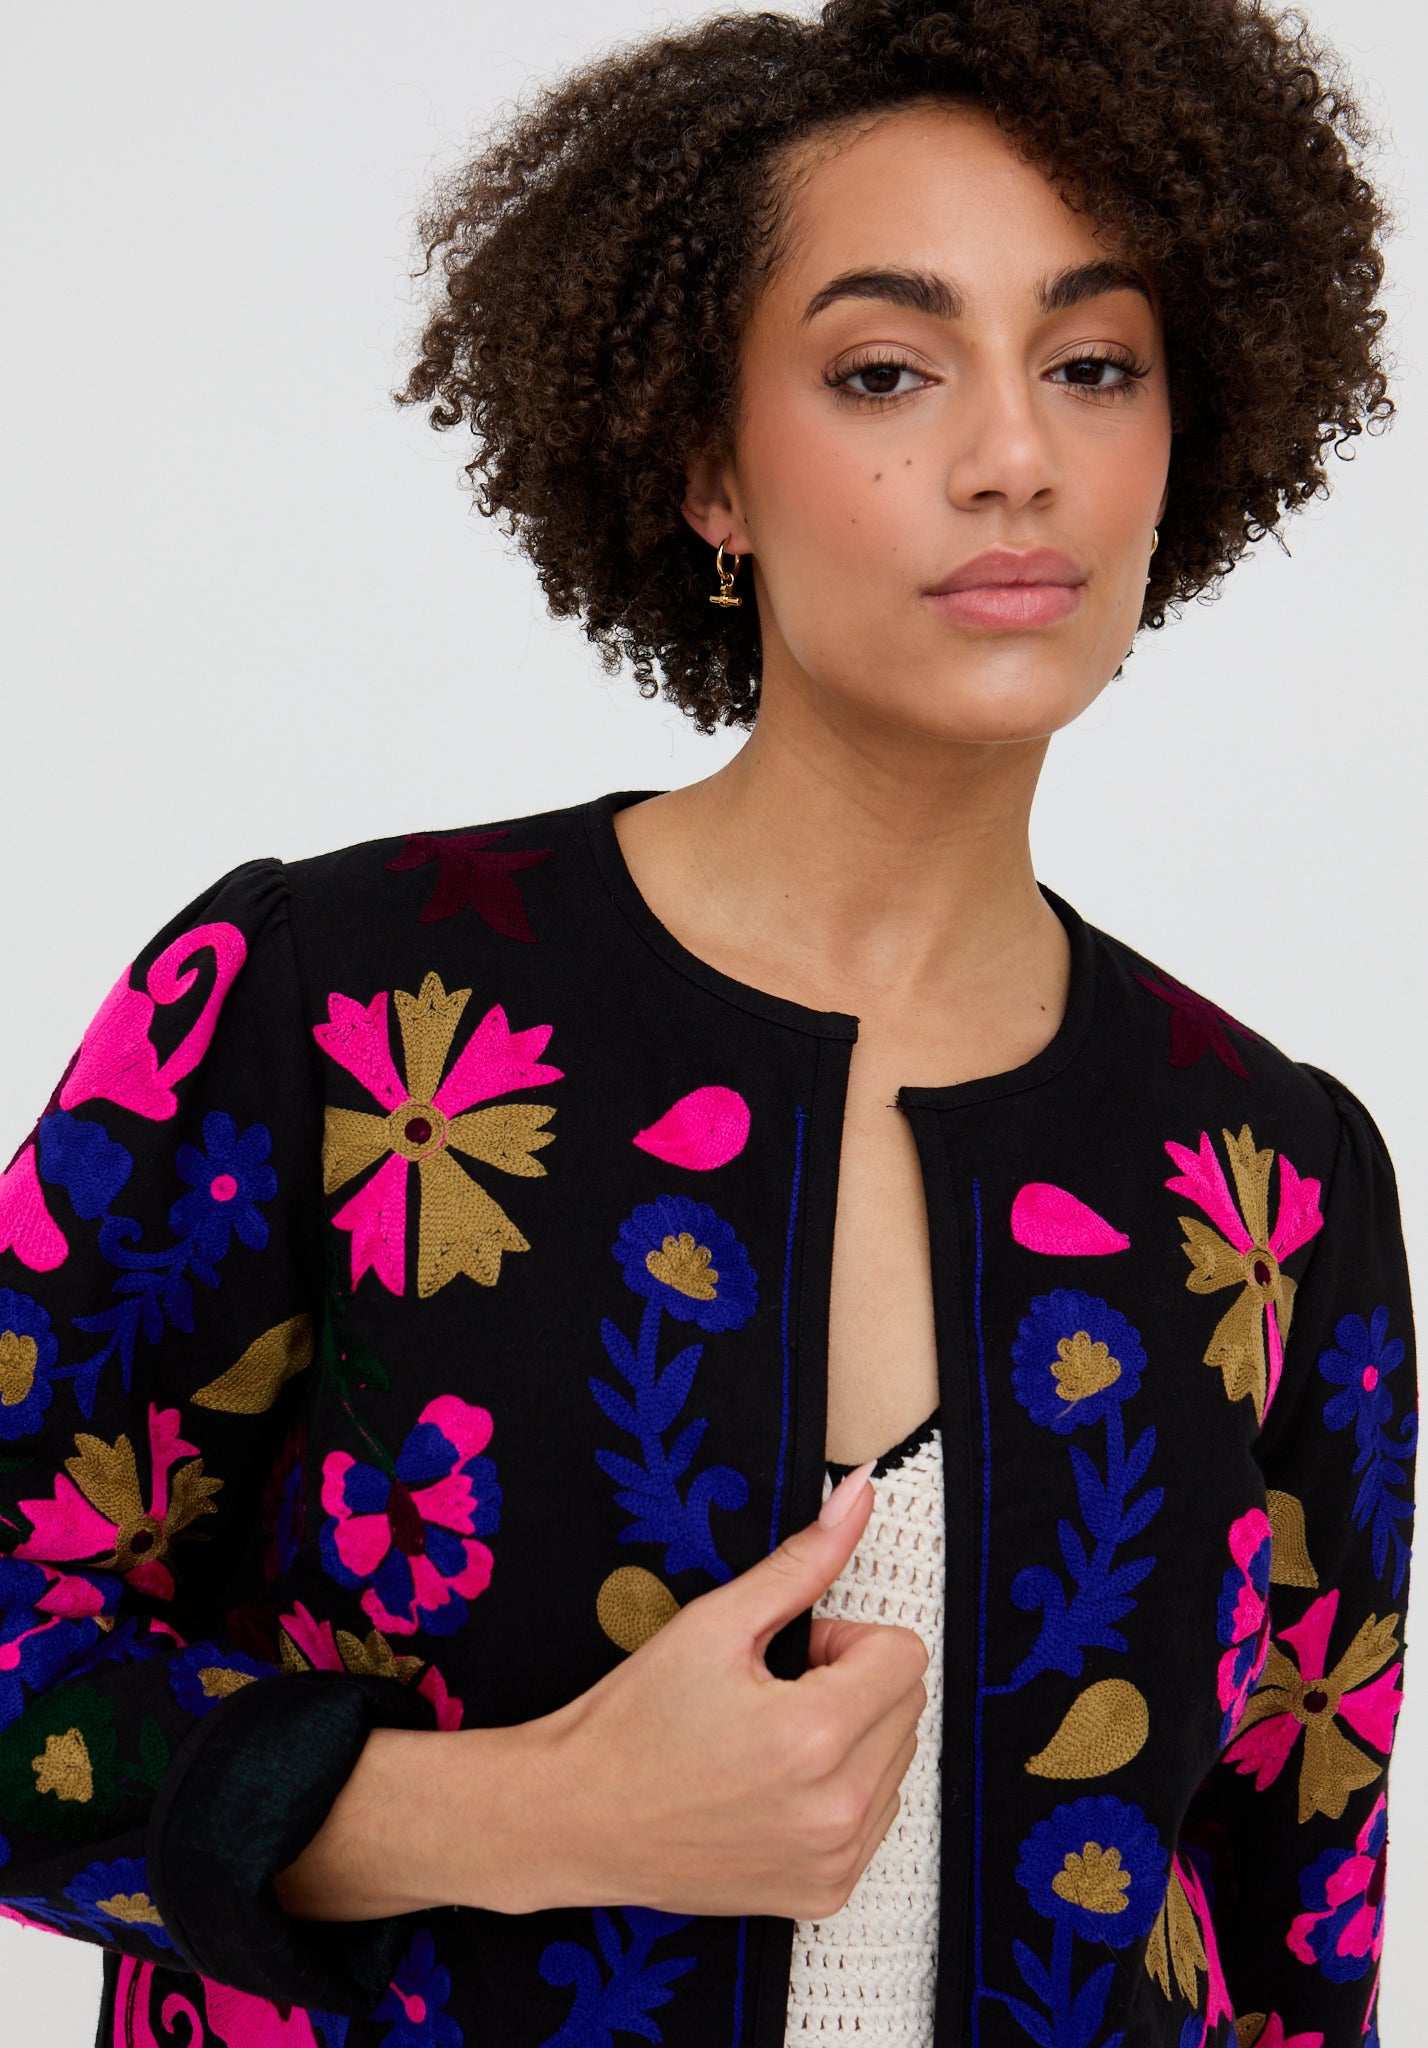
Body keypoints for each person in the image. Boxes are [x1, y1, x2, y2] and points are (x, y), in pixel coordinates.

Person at [0, 1, 1413, 2044]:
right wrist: (517, 1812)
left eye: (1094, 365)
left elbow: (1300, 1918)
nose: (1015, 457)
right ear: (706, 467)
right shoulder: (347, 1010)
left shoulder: (1270, 1174)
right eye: (885, 370)